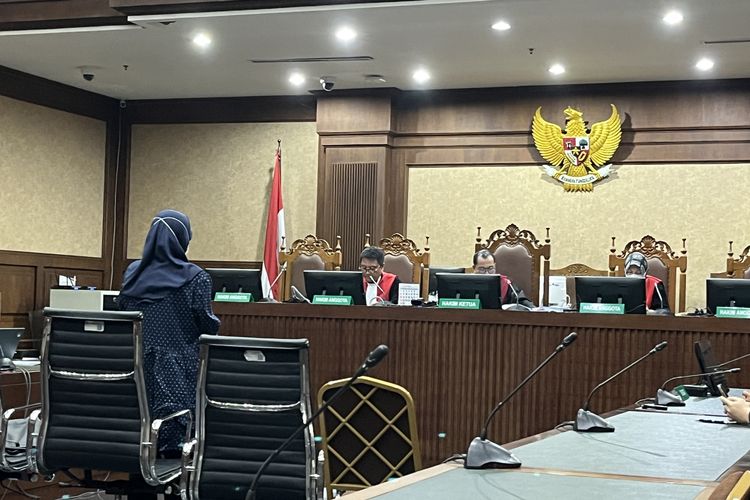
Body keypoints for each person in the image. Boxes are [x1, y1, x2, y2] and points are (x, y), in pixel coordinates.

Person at [117, 209, 220, 458]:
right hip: (178, 375)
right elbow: (208, 325)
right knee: (176, 449)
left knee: (140, 437)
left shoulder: (132, 274)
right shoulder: (197, 278)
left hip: (134, 371)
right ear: (183, 239)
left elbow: (123, 313)